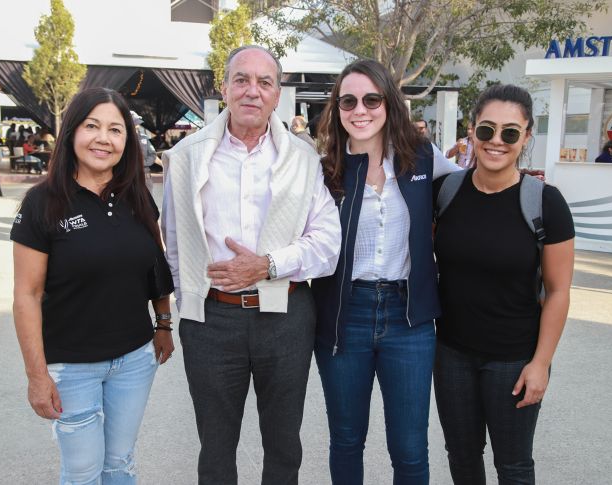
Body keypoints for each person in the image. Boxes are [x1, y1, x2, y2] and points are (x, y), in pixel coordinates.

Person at [161, 45, 342, 485]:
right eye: (241, 79)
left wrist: (268, 265)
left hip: (286, 316)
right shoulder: (185, 157)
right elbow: (172, 242)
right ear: (223, 88)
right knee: (216, 447)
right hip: (211, 321)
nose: (252, 91)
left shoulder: (303, 159)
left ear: (277, 95)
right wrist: (186, 311)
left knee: (283, 446)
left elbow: (328, 244)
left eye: (264, 82)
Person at [10, 87, 174, 485]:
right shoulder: (42, 202)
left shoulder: (138, 196)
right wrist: (37, 376)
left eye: (116, 130)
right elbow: (26, 296)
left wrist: (164, 322)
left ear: (126, 142)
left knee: (120, 463)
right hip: (73, 366)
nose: (104, 138)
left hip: (135, 361)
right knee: (82, 472)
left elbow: (155, 265)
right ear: (71, 133)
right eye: (92, 126)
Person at [310, 59, 461, 485]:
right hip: (343, 317)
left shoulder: (423, 160)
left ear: (389, 104)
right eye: (348, 101)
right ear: (337, 109)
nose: (360, 110)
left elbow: (474, 190)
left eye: (371, 99)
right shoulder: (324, 173)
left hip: (408, 319)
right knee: (345, 439)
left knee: (411, 448)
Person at [431, 84, 575, 484]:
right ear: (471, 129)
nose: (496, 141)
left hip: (514, 359)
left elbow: (559, 291)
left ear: (526, 137)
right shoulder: (446, 192)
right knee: (461, 456)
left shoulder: (546, 203)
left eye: (510, 132)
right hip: (452, 355)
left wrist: (541, 364)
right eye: (487, 130)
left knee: (512, 464)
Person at [130, 110, 159, 192]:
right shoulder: (123, 139)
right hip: (129, 177)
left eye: (137, 123)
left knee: (148, 202)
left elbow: (153, 155)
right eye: (135, 123)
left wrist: (143, 162)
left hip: (145, 176)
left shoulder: (144, 137)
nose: (137, 125)